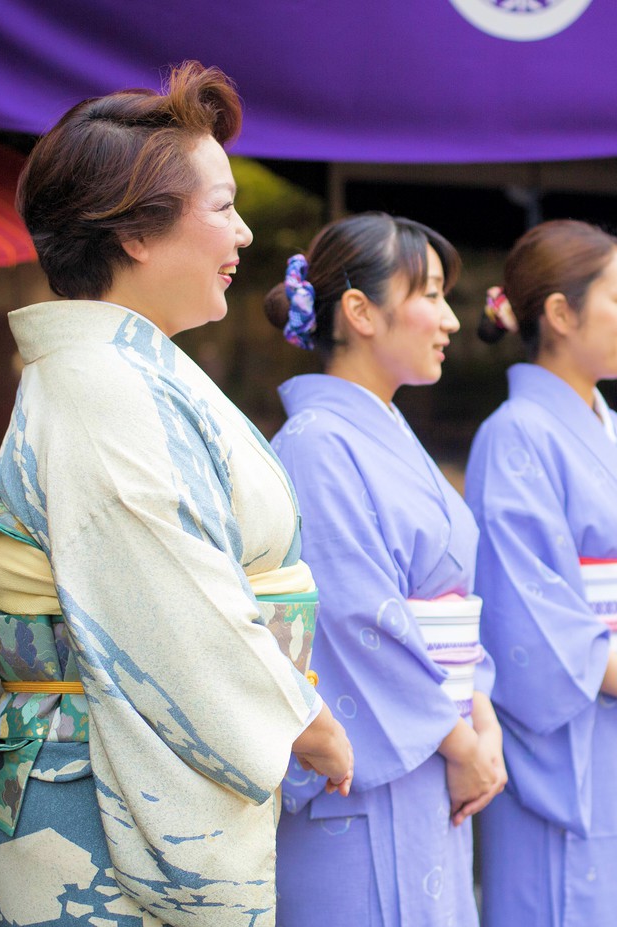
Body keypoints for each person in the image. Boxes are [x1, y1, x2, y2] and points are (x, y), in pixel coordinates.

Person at [0, 61, 353, 927]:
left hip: (109, 763)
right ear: (133, 233)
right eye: (222, 207)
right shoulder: (104, 384)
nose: (242, 235)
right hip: (95, 797)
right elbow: (169, 601)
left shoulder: (133, 370)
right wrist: (301, 718)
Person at [265, 212, 507, 927]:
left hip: (435, 749)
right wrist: (465, 742)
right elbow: (354, 618)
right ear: (361, 312)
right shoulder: (314, 446)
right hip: (370, 773)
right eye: (430, 295)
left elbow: (458, 604)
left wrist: (480, 721)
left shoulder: (383, 430)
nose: (451, 321)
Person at [465, 219, 617, 927]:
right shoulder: (514, 433)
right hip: (580, 724)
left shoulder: (612, 424)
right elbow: (526, 604)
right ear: (561, 314)